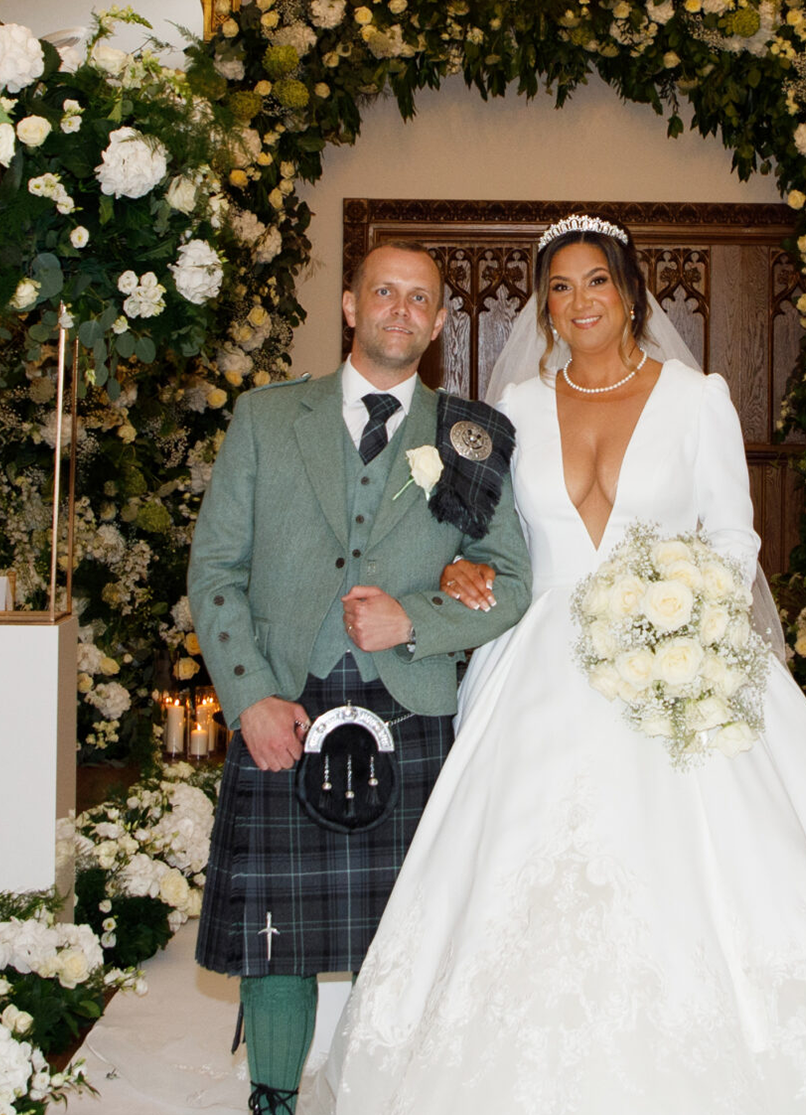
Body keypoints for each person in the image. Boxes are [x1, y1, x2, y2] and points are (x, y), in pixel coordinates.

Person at [302, 217, 806, 1113]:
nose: (578, 304)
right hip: (537, 668)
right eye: (559, 288)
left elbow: (733, 536)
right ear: (545, 305)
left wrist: (669, 613)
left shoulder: (697, 396)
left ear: (632, 290)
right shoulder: (516, 409)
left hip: (676, 652)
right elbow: (492, 537)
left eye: (595, 282)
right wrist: (466, 566)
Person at [187, 241, 532, 1115]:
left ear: (441, 320)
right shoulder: (268, 418)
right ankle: (273, 1100)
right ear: (349, 304)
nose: (401, 310)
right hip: (283, 699)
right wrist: (250, 696)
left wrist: (417, 618)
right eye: (384, 292)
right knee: (278, 935)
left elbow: (513, 580)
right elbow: (216, 569)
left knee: (412, 931)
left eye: (420, 299)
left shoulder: (470, 436)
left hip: (409, 705)